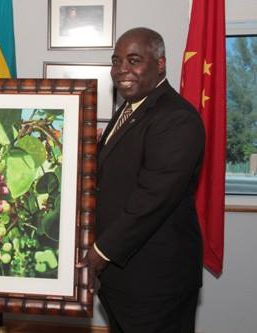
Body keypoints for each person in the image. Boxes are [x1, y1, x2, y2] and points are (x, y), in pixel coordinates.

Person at [79, 27, 205, 332]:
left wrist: (97, 255)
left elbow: (151, 200)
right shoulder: (131, 110)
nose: (122, 70)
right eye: (116, 61)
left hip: (156, 281)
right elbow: (112, 176)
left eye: (133, 60)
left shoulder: (177, 118)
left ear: (160, 63)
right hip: (124, 277)